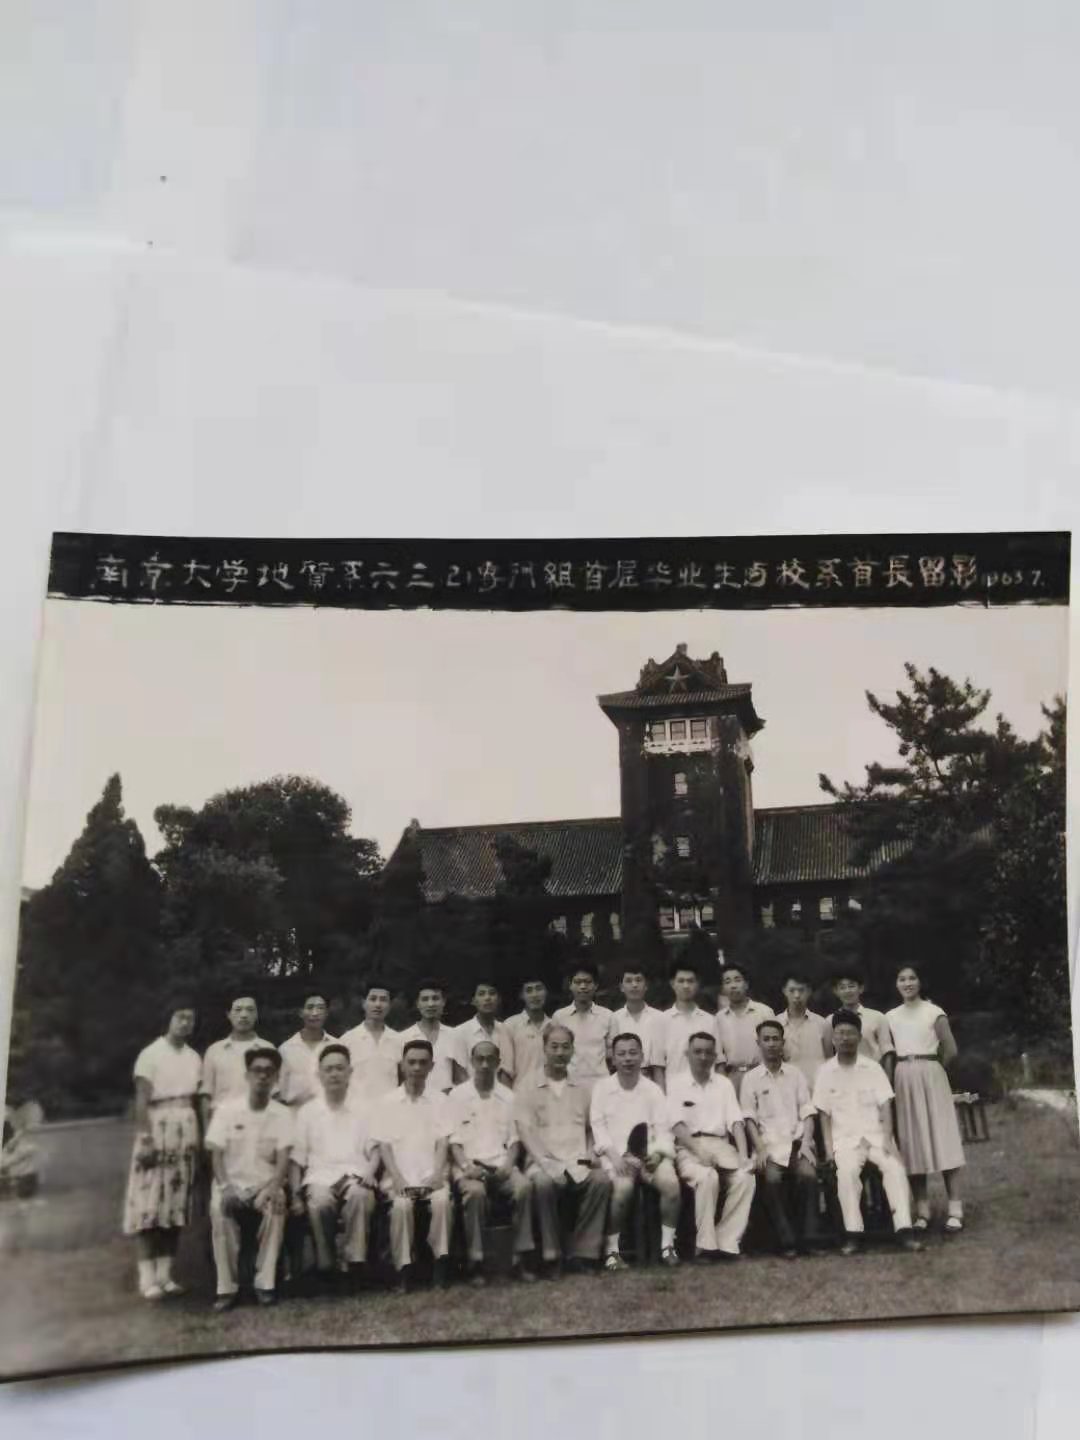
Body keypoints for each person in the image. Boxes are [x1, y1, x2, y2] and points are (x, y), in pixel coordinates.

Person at [812, 1010, 922, 1256]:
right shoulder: (825, 1071)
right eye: (840, 1033)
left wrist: (888, 1140)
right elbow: (824, 1115)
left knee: (895, 1168)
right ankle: (853, 1234)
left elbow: (886, 1105)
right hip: (845, 1141)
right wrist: (828, 1150)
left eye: (850, 1033)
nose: (845, 1038)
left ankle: (904, 1230)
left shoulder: (872, 1068)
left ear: (859, 1037)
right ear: (833, 1038)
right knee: (846, 1173)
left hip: (876, 1137)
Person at [513, 1024, 613, 1277]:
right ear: (544, 1048)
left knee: (601, 1180)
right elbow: (526, 1132)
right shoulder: (527, 1086)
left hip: (577, 1161)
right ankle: (552, 1254)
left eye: (565, 1047)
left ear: (572, 1050)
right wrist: (549, 1165)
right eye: (554, 1047)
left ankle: (583, 1253)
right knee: (544, 1184)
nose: (559, 1052)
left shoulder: (582, 1087)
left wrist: (590, 1154)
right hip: (542, 1163)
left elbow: (590, 1129)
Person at [122, 1001, 203, 1300]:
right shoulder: (150, 1054)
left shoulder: (194, 1057)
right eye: (180, 1017)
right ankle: (147, 1278)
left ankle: (165, 1275)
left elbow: (197, 1100)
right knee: (150, 1204)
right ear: (168, 1019)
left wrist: (198, 1139)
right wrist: (145, 1139)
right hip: (157, 1128)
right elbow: (141, 1101)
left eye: (190, 1018)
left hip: (185, 1128)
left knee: (175, 1204)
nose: (185, 1023)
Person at [205, 1046, 295, 1310]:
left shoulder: (283, 1114)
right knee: (219, 1210)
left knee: (276, 1206)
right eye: (257, 1070)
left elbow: (283, 1159)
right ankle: (227, 1288)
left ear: (276, 1077)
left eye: (269, 1071)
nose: (262, 1076)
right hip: (230, 1183)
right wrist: (226, 1187)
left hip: (265, 1184)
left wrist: (272, 1188)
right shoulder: (226, 1110)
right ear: (247, 1075)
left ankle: (265, 1284)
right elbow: (216, 1155)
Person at [288, 1043, 378, 1291]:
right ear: (319, 1074)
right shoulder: (307, 1112)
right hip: (319, 1177)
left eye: (340, 1068)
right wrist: (295, 1195)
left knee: (360, 1196)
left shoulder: (364, 1108)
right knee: (319, 1202)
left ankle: (354, 1265)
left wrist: (371, 1171)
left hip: (355, 1175)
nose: (334, 1074)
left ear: (350, 1072)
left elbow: (375, 1149)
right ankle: (326, 1264)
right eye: (328, 1069)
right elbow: (296, 1159)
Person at [448, 1039, 536, 1285]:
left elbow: (514, 1141)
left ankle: (519, 1258)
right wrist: (467, 1168)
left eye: (490, 1059)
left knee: (524, 1187)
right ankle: (475, 1262)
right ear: (472, 1062)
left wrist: (508, 1165)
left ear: (498, 1063)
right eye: (480, 1059)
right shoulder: (457, 1096)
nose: (485, 1064)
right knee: (475, 1193)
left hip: (500, 1164)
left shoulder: (509, 1096)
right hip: (469, 1166)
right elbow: (454, 1143)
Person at [886, 964, 966, 1233]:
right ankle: (922, 1211)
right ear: (896, 984)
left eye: (912, 978)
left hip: (931, 1074)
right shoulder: (890, 1017)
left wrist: (933, 1070)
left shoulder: (934, 1012)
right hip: (903, 1078)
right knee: (911, 1142)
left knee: (943, 1139)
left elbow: (951, 1049)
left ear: (920, 982)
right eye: (902, 979)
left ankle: (955, 1209)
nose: (907, 983)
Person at [591, 1033, 681, 1271]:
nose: (627, 1059)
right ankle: (612, 1252)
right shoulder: (602, 1088)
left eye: (633, 1053)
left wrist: (658, 1155)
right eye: (621, 1054)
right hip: (616, 1157)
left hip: (650, 1156)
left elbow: (663, 1130)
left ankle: (667, 1246)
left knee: (671, 1184)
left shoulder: (653, 1090)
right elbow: (598, 1127)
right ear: (613, 1059)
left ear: (642, 1056)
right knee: (623, 1190)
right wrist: (615, 1158)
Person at [373, 1039, 452, 1293]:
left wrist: (437, 1174)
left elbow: (443, 1142)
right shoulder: (386, 1102)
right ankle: (403, 1270)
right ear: (402, 1065)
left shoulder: (440, 1101)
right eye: (412, 1062)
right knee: (401, 1206)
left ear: (432, 1066)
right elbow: (384, 1145)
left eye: (423, 1063)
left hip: (431, 1175)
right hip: (399, 1177)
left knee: (442, 1202)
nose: (417, 1068)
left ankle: (440, 1264)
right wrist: (397, 1178)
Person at [668, 1030, 755, 1261]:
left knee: (745, 1177)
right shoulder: (676, 1084)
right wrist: (699, 1152)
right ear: (687, 1054)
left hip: (721, 1145)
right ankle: (705, 1245)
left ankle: (727, 1242)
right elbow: (676, 1125)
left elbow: (735, 1122)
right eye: (697, 1052)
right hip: (688, 1147)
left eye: (708, 1052)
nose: (703, 1057)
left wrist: (744, 1155)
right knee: (708, 1177)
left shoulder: (724, 1084)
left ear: (715, 1056)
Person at [742, 1019, 824, 1257]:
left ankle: (810, 1238)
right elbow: (749, 1118)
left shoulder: (795, 1074)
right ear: (758, 1043)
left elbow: (807, 1111)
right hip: (769, 1146)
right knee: (773, 1180)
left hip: (797, 1143)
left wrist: (807, 1142)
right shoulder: (751, 1078)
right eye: (766, 1039)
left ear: (782, 1042)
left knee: (808, 1176)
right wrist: (760, 1149)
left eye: (775, 1039)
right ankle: (786, 1240)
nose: (771, 1044)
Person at [198, 994, 272, 1127]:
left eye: (250, 1010)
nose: (244, 1015)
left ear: (256, 1014)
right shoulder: (215, 1051)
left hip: (259, 1122)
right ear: (229, 1014)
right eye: (238, 1010)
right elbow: (206, 1095)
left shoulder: (268, 1049)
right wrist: (207, 1130)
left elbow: (275, 1093)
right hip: (222, 1122)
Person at [553, 962, 614, 1096]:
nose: (583, 986)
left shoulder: (608, 1016)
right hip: (569, 1088)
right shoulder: (559, 1017)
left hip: (601, 1087)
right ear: (570, 985)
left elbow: (612, 1056)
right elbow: (555, 1055)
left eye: (587, 982)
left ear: (596, 985)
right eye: (578, 982)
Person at [716, 963, 776, 1098]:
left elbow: (776, 1049)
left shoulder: (764, 1012)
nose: (733, 985)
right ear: (723, 988)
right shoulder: (719, 1018)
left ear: (746, 984)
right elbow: (719, 1058)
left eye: (737, 980)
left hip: (762, 1074)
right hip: (732, 1077)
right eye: (727, 982)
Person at [662, 958, 725, 1083]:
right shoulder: (662, 1020)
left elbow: (719, 1062)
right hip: (673, 1088)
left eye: (690, 981)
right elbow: (657, 1066)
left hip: (705, 1088)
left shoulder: (710, 1020)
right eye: (681, 981)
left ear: (697, 984)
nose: (686, 986)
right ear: (672, 984)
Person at [341, 981, 404, 1102]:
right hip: (357, 1108)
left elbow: (404, 1079)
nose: (378, 1004)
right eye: (373, 999)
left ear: (390, 1005)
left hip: (390, 1107)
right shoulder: (347, 1040)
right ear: (363, 1003)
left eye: (383, 1000)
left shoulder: (399, 1040)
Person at [607, 965, 667, 1086]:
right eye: (629, 981)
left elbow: (660, 1064)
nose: (634, 985)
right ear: (621, 987)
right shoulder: (613, 1018)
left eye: (638, 980)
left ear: (646, 986)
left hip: (651, 1079)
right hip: (621, 1081)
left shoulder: (660, 1017)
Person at [398, 978, 460, 1094]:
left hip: (446, 1100)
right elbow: (400, 1078)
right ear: (417, 1003)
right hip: (415, 1100)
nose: (430, 1004)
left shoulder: (455, 1036)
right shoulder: (403, 1038)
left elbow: (460, 1078)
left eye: (435, 998)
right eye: (425, 999)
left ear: (443, 1002)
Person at [279, 993, 338, 1108]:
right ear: (301, 1012)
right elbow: (279, 1092)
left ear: (326, 1013)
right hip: (295, 1113)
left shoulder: (337, 1046)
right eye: (310, 1007)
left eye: (320, 1008)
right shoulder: (286, 1049)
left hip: (329, 1113)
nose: (315, 1013)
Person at [454, 979, 516, 1089]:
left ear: (498, 999)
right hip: (470, 1094)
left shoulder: (506, 1030)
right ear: (473, 1001)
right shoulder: (460, 1032)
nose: (487, 998)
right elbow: (460, 1074)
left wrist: (502, 1096)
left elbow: (506, 1071)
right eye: (481, 994)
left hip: (501, 1094)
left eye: (492, 993)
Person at [777, 971, 833, 1089]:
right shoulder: (776, 1023)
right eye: (792, 990)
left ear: (809, 992)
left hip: (817, 1087)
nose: (797, 995)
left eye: (801, 990)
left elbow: (829, 1060)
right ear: (784, 991)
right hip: (786, 1087)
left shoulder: (822, 1024)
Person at [830, 968, 894, 1069]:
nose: (847, 991)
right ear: (836, 991)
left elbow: (887, 1052)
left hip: (872, 1072)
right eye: (842, 987)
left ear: (861, 988)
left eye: (851, 986)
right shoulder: (829, 1021)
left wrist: (887, 1077)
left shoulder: (877, 1017)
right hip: (842, 1073)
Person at [505, 976, 552, 1087]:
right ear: (521, 995)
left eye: (539, 989)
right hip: (521, 1092)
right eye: (529, 990)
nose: (535, 995)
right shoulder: (510, 1025)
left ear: (546, 992)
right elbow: (505, 1070)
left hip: (550, 1093)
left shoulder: (554, 1025)